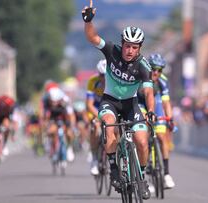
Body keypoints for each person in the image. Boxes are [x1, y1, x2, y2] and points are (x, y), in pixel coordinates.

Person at [82, 4, 155, 199]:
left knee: (142, 141)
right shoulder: (111, 51)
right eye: (127, 46)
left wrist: (150, 111)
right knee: (108, 125)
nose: (130, 50)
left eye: (134, 47)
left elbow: (148, 93)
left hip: (131, 105)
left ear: (139, 48)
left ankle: (141, 177)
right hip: (110, 101)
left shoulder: (143, 66)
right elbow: (92, 37)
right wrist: (88, 22)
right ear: (122, 44)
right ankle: (114, 168)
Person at [138, 53, 175, 190]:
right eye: (153, 69)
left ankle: (166, 173)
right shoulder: (142, 77)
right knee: (143, 133)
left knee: (162, 137)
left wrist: (170, 118)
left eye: (159, 70)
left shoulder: (163, 81)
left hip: (156, 104)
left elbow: (166, 103)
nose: (156, 72)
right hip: (142, 103)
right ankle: (146, 165)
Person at [86, 59, 106, 175]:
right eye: (102, 75)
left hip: (109, 107)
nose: (104, 78)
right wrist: (99, 116)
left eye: (106, 75)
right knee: (95, 128)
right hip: (95, 108)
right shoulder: (93, 81)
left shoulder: (114, 81)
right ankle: (94, 157)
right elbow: (89, 104)